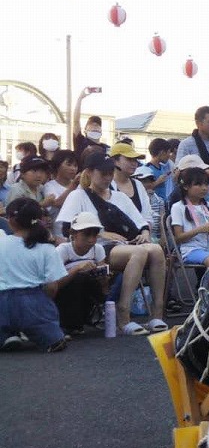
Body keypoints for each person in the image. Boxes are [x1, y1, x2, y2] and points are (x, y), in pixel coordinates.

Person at [56, 152, 168, 334]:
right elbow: (67, 228)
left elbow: (140, 222)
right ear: (90, 172)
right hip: (97, 248)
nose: (108, 178)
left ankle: (157, 313)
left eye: (110, 173)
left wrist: (145, 233)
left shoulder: (120, 197)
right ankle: (123, 314)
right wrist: (101, 232)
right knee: (138, 253)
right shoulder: (78, 196)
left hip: (127, 244)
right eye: (103, 173)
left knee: (155, 249)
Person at [0, 198, 70, 353]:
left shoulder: (1, 242)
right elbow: (52, 286)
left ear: (11, 220)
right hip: (32, 304)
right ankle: (39, 334)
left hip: (2, 303)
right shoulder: (46, 248)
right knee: (56, 341)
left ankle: (7, 335)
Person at [53, 211, 110, 335]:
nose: (91, 240)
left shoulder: (98, 249)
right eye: (86, 235)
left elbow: (104, 288)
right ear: (73, 234)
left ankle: (93, 316)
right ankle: (70, 323)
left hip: (89, 291)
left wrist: (103, 278)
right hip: (64, 294)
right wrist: (76, 269)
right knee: (78, 279)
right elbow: (55, 285)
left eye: (94, 235)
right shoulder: (62, 250)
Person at [175, 106, 209, 218]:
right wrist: (205, 171)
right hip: (196, 200)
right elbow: (178, 170)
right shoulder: (186, 144)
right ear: (198, 123)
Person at [170, 168, 209, 269]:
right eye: (199, 184)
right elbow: (178, 238)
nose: (204, 188)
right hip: (192, 249)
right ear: (186, 186)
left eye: (206, 184)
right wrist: (200, 229)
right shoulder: (178, 207)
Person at [109, 142, 153, 239]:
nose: (134, 163)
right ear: (115, 161)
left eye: (135, 160)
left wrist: (145, 235)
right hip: (115, 239)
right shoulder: (105, 185)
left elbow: (147, 216)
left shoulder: (138, 185)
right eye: (129, 159)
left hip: (140, 237)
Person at [43, 150, 80, 220]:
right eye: (68, 165)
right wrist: (73, 185)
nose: (73, 168)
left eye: (75, 165)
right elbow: (57, 203)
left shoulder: (79, 186)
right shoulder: (49, 186)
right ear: (57, 166)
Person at [143, 139, 176, 203]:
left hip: (163, 204)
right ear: (162, 153)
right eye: (169, 152)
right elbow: (142, 188)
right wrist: (158, 182)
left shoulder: (162, 168)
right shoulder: (147, 169)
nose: (169, 155)